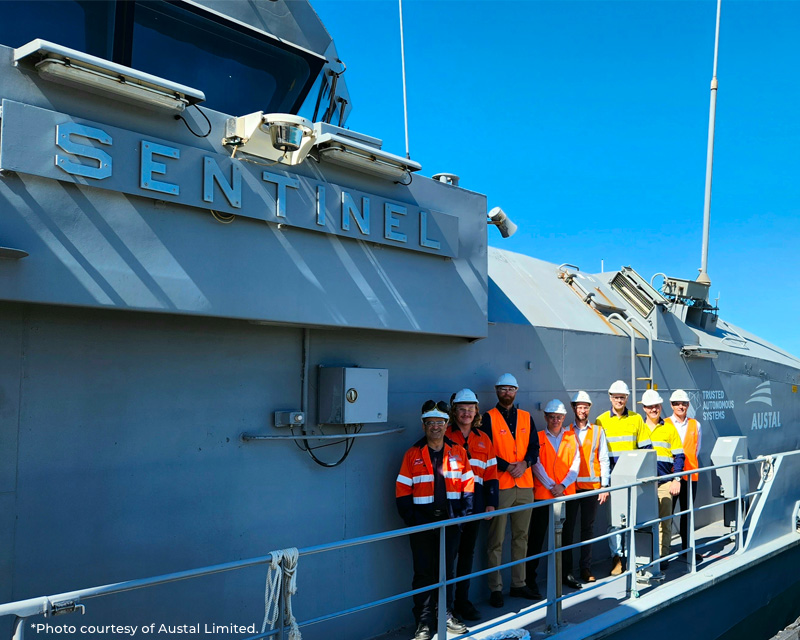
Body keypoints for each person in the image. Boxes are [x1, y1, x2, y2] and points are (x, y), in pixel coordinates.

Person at [396, 400, 473, 640]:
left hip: (450, 524)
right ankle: (424, 622)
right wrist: (413, 521)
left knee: (447, 572)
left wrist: (461, 520)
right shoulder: (412, 454)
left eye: (440, 423)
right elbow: (402, 491)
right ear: (423, 426)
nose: (435, 427)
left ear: (446, 425)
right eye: (431, 423)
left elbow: (468, 486)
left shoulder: (458, 452)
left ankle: (446, 615)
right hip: (422, 525)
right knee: (423, 574)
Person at [482, 373, 541, 608]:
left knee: (521, 538)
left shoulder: (527, 418)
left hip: (525, 486)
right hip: (500, 487)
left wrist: (525, 464)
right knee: (495, 539)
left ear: (516, 391)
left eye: (511, 389)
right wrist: (507, 467)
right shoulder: (488, 418)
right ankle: (495, 588)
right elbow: (484, 451)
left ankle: (518, 584)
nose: (507, 392)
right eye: (503, 389)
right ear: (497, 391)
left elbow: (534, 448)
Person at [446, 389, 498, 622]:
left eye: (470, 409)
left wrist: (491, 504)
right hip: (449, 506)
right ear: (454, 411)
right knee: (448, 556)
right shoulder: (444, 435)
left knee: (467, 554)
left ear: (476, 411)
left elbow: (491, 475)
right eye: (462, 409)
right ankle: (446, 607)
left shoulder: (483, 439)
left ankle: (462, 602)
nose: (466, 413)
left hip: (475, 505)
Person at [595, 380, 652, 576]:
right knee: (614, 523)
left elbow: (646, 449)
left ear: (627, 398)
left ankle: (634, 557)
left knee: (633, 519)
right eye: (616, 397)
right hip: (613, 480)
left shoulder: (637, 419)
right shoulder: (601, 421)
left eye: (622, 397)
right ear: (610, 397)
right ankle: (617, 559)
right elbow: (599, 453)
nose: (619, 400)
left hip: (633, 479)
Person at [526, 400, 580, 596]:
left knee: (567, 537)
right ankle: (529, 578)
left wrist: (563, 485)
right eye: (552, 416)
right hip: (543, 496)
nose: (555, 420)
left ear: (564, 418)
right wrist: (552, 486)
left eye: (559, 417)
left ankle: (567, 574)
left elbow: (576, 464)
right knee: (536, 538)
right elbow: (536, 464)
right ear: (546, 417)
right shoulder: (538, 437)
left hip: (566, 494)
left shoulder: (571, 438)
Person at [562, 391, 610, 586]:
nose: (582, 410)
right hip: (571, 489)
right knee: (568, 529)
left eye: (585, 407)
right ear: (574, 408)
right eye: (579, 407)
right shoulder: (566, 431)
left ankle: (585, 568)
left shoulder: (598, 431)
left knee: (587, 529)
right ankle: (567, 571)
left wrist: (604, 485)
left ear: (589, 408)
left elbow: (604, 458)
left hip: (591, 488)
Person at [641, 389, 684, 569]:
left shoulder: (669, 428)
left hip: (665, 483)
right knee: (644, 523)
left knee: (664, 522)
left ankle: (662, 556)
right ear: (644, 408)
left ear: (660, 407)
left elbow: (679, 456)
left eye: (656, 406)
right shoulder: (639, 428)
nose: (654, 409)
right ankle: (645, 556)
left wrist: (677, 480)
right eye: (650, 407)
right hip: (643, 485)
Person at [665, 389, 703, 563]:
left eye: (684, 403)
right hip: (670, 478)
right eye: (677, 403)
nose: (680, 406)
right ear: (671, 405)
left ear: (688, 405)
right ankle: (663, 553)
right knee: (667, 514)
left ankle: (687, 549)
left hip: (690, 477)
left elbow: (696, 449)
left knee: (687, 514)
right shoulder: (664, 424)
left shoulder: (696, 425)